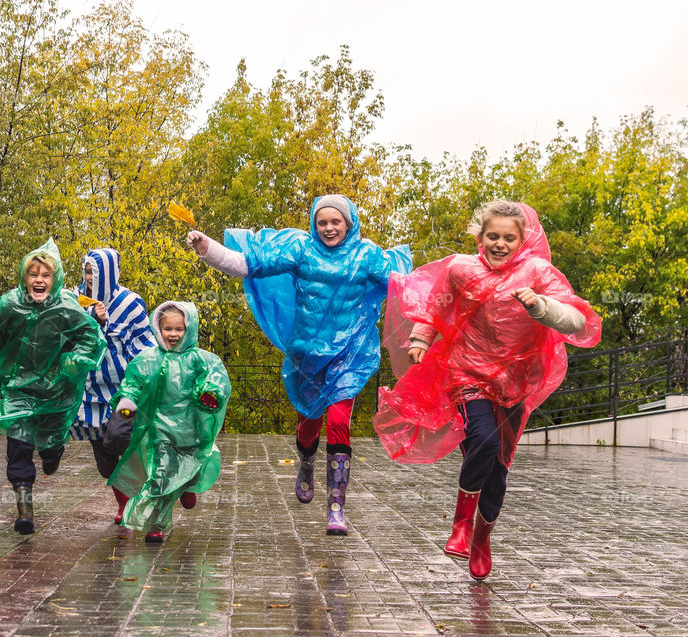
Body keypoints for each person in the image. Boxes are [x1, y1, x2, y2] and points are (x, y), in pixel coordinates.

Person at [374, 200, 601, 579]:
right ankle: (461, 524)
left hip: (516, 382)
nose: (500, 243)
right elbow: (436, 308)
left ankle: (483, 535)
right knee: (483, 441)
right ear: (480, 238)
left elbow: (576, 318)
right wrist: (420, 338)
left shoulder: (537, 271)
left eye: (508, 238)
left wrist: (540, 305)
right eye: (492, 236)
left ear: (522, 240)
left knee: (498, 471)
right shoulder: (462, 269)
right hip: (467, 374)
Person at [187, 194, 411, 535]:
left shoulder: (366, 256)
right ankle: (306, 460)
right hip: (308, 356)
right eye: (322, 222)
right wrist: (209, 249)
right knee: (310, 425)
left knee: (339, 423)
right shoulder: (301, 249)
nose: (328, 227)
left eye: (336, 221)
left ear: (349, 223)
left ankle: (336, 506)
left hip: (349, 357)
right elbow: (250, 264)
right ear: (313, 224)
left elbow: (404, 286)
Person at [0, 239, 106, 534]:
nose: (39, 279)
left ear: (55, 278)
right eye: (33, 273)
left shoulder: (66, 307)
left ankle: (53, 452)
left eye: (46, 274)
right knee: (19, 444)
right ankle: (25, 509)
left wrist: (73, 362)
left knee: (49, 444)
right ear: (25, 278)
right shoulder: (9, 305)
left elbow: (92, 337)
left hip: (56, 390)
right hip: (18, 389)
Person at [108, 301, 230, 543]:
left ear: (189, 329)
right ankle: (156, 525)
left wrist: (209, 393)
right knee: (161, 473)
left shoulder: (200, 359)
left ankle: (187, 487)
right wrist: (127, 403)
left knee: (192, 468)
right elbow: (133, 382)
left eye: (179, 329)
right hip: (159, 427)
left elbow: (216, 379)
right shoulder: (148, 359)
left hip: (192, 428)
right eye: (168, 329)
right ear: (158, 328)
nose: (173, 334)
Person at [70, 248, 156, 524]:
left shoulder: (131, 304)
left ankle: (133, 502)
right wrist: (93, 321)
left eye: (94, 273)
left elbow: (147, 347)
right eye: (86, 272)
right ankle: (124, 499)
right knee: (106, 463)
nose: (89, 278)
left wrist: (146, 381)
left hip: (123, 394)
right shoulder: (75, 301)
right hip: (90, 394)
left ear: (107, 274)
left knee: (119, 440)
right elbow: (67, 339)